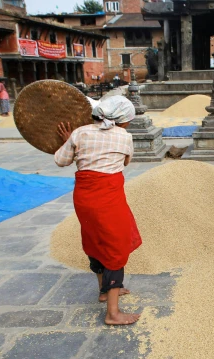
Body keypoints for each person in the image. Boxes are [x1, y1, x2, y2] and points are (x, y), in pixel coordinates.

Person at [54, 95, 142, 325]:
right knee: (115, 246)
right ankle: (113, 313)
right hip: (109, 198)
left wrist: (69, 143)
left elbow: (60, 161)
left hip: (84, 198)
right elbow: (124, 162)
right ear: (121, 120)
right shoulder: (124, 137)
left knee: (94, 239)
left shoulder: (79, 133)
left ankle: (104, 291)